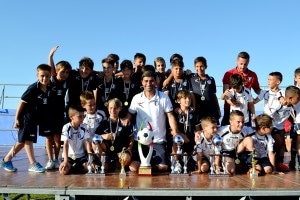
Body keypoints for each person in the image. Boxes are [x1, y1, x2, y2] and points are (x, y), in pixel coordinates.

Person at [0, 64, 56, 173]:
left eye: (47, 76)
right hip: (27, 118)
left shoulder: (49, 88)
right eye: (42, 76)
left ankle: (6, 160)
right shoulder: (33, 88)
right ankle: (32, 163)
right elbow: (21, 102)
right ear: (37, 75)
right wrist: (17, 119)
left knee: (22, 141)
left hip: (36, 119)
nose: (45, 78)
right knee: (28, 140)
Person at [125, 70, 180, 172]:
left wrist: (175, 132)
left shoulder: (164, 97)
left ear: (155, 82)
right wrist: (127, 119)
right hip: (140, 141)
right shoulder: (136, 98)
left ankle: (148, 167)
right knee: (133, 168)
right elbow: (130, 113)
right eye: (146, 81)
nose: (148, 84)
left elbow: (170, 116)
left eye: (151, 81)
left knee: (163, 167)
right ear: (142, 82)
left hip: (158, 141)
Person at [253, 72, 292, 172]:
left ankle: (279, 163)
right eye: (268, 79)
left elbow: (288, 102)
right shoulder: (265, 92)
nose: (268, 81)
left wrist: (284, 101)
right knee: (276, 142)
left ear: (278, 82)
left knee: (281, 144)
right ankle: (270, 164)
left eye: (271, 79)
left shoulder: (284, 93)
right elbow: (253, 102)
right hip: (268, 123)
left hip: (280, 124)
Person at [45, 46, 72, 170]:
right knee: (49, 137)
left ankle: (56, 159)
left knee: (57, 137)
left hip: (60, 113)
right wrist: (51, 56)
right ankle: (50, 160)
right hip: (48, 113)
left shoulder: (66, 82)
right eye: (62, 72)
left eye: (67, 72)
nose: (65, 74)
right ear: (56, 71)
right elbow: (51, 69)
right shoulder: (52, 80)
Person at [221, 51, 261, 126]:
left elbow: (257, 89)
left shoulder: (252, 75)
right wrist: (231, 102)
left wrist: (264, 94)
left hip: (246, 109)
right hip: (230, 109)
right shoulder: (228, 73)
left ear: (248, 62)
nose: (243, 66)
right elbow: (225, 92)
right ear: (237, 62)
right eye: (241, 64)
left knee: (245, 131)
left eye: (245, 64)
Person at [95, 98, 134, 172]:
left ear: (120, 109)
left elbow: (131, 137)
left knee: (126, 157)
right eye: (111, 108)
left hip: (120, 151)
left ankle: (118, 165)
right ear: (108, 108)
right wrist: (103, 136)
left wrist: (129, 149)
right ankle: (105, 164)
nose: (113, 110)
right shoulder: (103, 123)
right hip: (107, 151)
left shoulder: (124, 123)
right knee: (95, 144)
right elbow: (94, 137)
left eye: (115, 108)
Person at [216, 110, 255, 175]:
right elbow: (209, 131)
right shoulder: (221, 130)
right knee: (230, 171)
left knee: (249, 140)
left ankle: (250, 166)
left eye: (243, 122)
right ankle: (233, 164)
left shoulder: (246, 129)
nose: (241, 124)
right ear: (231, 122)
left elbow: (258, 132)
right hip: (227, 153)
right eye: (238, 122)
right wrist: (199, 132)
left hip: (238, 152)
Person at [59, 105, 93, 175]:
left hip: (81, 157)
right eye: (79, 116)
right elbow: (65, 144)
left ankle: (76, 167)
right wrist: (65, 160)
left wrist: (90, 159)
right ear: (71, 117)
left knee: (91, 168)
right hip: (69, 157)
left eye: (83, 116)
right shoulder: (66, 127)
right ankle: (74, 167)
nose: (82, 118)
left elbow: (87, 143)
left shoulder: (84, 126)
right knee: (63, 171)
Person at [172, 90, 199, 172]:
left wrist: (197, 139)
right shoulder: (174, 114)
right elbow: (172, 131)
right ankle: (176, 163)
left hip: (191, 142)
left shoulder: (194, 113)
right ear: (178, 101)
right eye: (185, 98)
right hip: (179, 141)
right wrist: (182, 136)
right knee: (176, 139)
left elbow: (198, 130)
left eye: (189, 98)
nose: (188, 100)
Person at [190, 56, 221, 125]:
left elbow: (214, 95)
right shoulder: (191, 79)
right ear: (194, 67)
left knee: (213, 130)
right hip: (198, 110)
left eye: (202, 66)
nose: (199, 68)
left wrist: (218, 109)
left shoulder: (211, 79)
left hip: (211, 109)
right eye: (197, 66)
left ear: (205, 66)